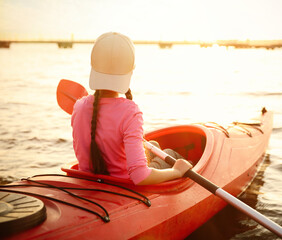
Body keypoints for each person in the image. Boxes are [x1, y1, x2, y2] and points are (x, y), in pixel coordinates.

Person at [71, 32, 192, 185]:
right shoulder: (130, 112)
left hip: (91, 181)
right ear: (131, 69)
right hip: (125, 186)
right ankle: (189, 168)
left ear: (93, 65)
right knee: (168, 153)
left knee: (153, 145)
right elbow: (139, 176)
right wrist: (176, 171)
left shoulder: (79, 106)